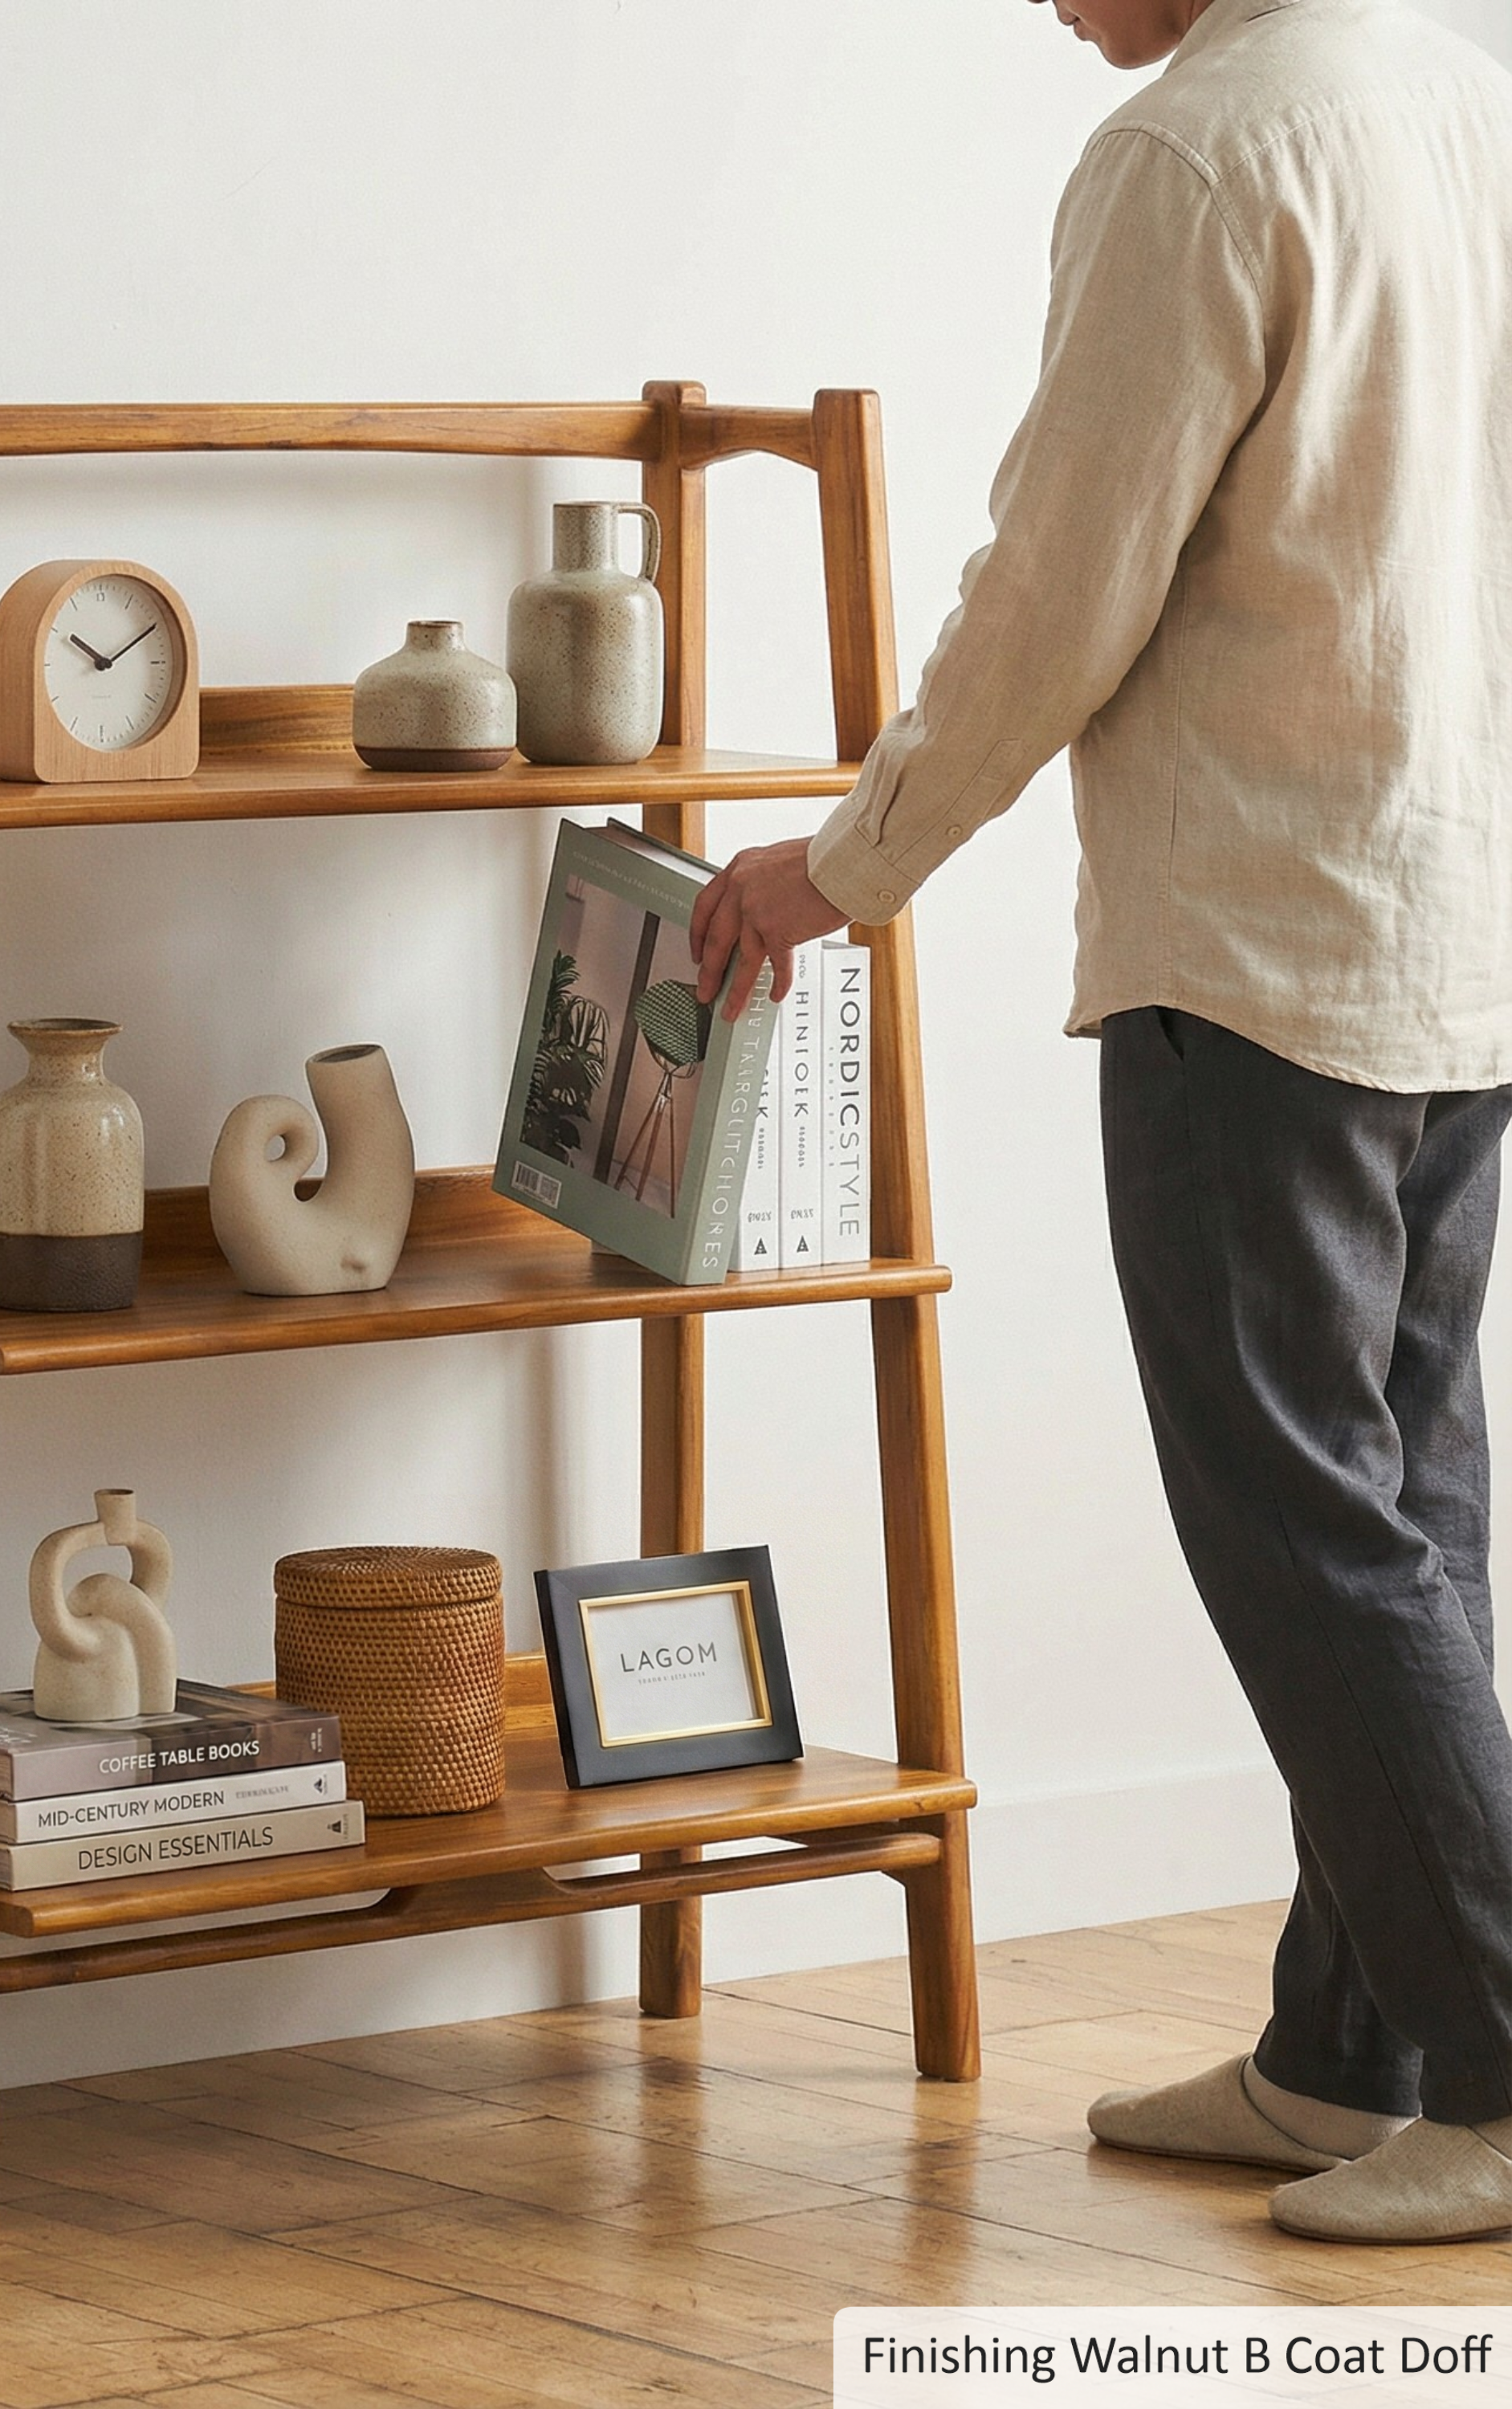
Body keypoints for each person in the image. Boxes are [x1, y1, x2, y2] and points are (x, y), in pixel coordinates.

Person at [690, 0, 1512, 2244]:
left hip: (1262, 934)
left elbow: (1062, 583)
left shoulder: (1196, 155)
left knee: (1306, 1519)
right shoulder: (1466, 95)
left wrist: (844, 865)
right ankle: (1354, 2055)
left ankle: (1501, 2067)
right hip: (1453, 915)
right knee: (1407, 1508)